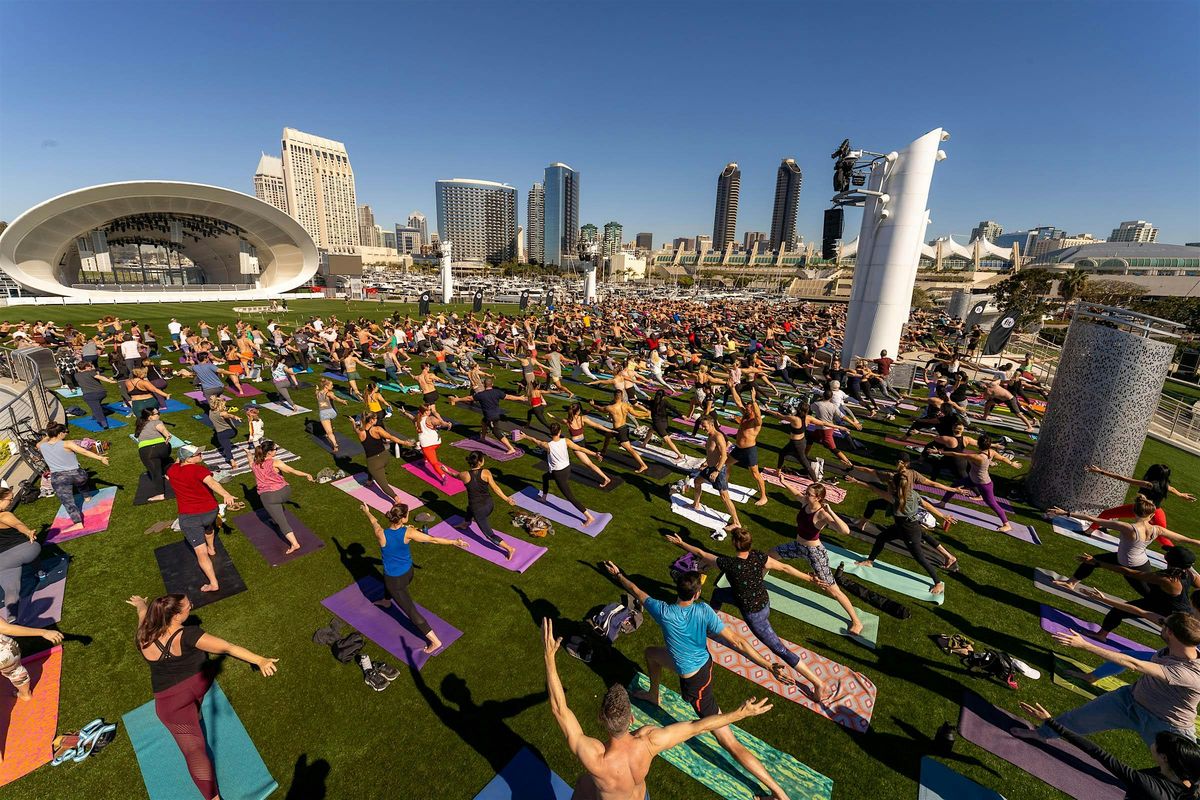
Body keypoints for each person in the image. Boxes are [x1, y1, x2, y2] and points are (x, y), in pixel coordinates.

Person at [603, 561, 796, 800]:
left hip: (696, 684)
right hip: (703, 664)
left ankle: (779, 794)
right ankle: (654, 694)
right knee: (652, 654)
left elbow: (636, 590)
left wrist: (618, 574)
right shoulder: (703, 610)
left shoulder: (662, 610)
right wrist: (767, 664)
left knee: (730, 743)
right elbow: (738, 641)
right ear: (696, 594)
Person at [541, 617, 775, 800]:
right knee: (584, 784)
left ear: (602, 718)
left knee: (584, 783)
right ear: (632, 718)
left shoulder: (595, 758)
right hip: (640, 796)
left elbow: (560, 709)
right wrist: (740, 713)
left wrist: (549, 657)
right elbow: (697, 727)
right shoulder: (649, 742)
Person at [128, 593, 277, 800]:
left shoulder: (143, 635)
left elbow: (143, 615)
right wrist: (260, 660)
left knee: (194, 731)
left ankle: (195, 715)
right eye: (189, 605)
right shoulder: (188, 635)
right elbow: (228, 648)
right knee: (195, 752)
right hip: (178, 704)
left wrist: (141, 605)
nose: (192, 606)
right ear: (177, 616)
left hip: (173, 703)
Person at [665, 529, 835, 698]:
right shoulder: (759, 557)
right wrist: (809, 578)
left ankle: (818, 683)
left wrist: (681, 543)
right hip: (764, 602)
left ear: (733, 544)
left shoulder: (728, 564)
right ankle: (711, 622)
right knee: (718, 594)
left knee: (779, 648)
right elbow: (784, 567)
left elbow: (701, 553)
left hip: (755, 614)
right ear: (750, 543)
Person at [1018, 613, 1200, 748]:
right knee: (1076, 719)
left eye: (1163, 624)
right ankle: (1042, 734)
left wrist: (1085, 645)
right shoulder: (1178, 645)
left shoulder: (1189, 673)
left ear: (1169, 632)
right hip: (1129, 702)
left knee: (1184, 772)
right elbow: (1152, 620)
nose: (1160, 625)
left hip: (1166, 724)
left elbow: (1134, 664)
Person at [1019, 701, 1200, 800]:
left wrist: (1052, 722)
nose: (1151, 742)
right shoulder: (1190, 776)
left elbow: (1099, 754)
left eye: (1156, 743)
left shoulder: (1151, 787)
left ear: (1165, 757)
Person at [359, 503, 468, 654]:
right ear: (403, 518)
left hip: (394, 581)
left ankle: (435, 642)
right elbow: (433, 540)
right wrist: (454, 542)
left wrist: (367, 511)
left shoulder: (380, 533)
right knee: (389, 583)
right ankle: (386, 601)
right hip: (408, 573)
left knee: (410, 611)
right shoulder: (408, 532)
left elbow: (374, 522)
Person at [769, 482, 869, 635]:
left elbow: (845, 531)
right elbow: (796, 494)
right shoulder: (805, 503)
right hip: (798, 546)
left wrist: (831, 511)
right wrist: (783, 481)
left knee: (832, 589)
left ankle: (857, 621)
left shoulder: (822, 514)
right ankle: (756, 580)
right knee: (770, 554)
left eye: (809, 493)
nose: (805, 494)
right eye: (806, 492)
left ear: (818, 498)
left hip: (814, 552)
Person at [850, 456, 958, 595]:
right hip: (905, 525)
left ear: (893, 485)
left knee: (919, 557)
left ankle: (938, 582)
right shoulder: (912, 493)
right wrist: (942, 516)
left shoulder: (895, 499)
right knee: (882, 537)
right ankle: (870, 561)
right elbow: (926, 504)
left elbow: (873, 489)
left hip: (908, 529)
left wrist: (856, 481)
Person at [1052, 498, 1200, 595]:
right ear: (1152, 515)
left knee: (1149, 594)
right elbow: (1183, 538)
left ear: (1134, 512)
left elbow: (1092, 518)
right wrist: (1196, 542)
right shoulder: (1157, 529)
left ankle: (1176, 609)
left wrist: (1065, 512)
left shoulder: (1127, 527)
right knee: (1091, 561)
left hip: (1130, 564)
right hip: (1138, 561)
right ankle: (1071, 583)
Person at [166, 446, 245, 593]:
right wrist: (226, 495)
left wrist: (226, 494)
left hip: (190, 518)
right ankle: (212, 549)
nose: (201, 454)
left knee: (200, 553)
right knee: (208, 527)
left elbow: (178, 462)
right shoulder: (199, 470)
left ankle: (213, 584)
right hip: (210, 512)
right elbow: (212, 483)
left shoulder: (171, 470)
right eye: (197, 453)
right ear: (189, 458)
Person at [1086, 463, 1195, 548]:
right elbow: (1173, 489)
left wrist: (1101, 472)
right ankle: (1089, 531)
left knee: (1161, 536)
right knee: (1162, 536)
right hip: (1154, 511)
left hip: (1145, 511)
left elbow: (1124, 479)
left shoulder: (1149, 484)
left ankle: (1089, 531)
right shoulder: (1164, 485)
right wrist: (1181, 495)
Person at [937, 433, 1021, 532]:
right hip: (972, 479)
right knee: (955, 485)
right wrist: (1012, 463)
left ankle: (1007, 524)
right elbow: (1002, 458)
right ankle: (942, 503)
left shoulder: (977, 457)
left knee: (992, 503)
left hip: (984, 484)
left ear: (978, 445)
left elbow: (955, 454)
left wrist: (940, 452)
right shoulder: (991, 452)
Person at [520, 423, 599, 528]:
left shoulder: (547, 445)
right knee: (545, 477)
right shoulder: (566, 441)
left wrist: (525, 436)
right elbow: (580, 449)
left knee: (570, 497)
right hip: (566, 469)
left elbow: (535, 440)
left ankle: (589, 517)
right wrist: (594, 454)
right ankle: (544, 498)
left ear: (550, 432)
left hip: (559, 474)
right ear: (560, 431)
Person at [37, 422, 110, 533]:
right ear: (60, 433)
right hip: (78, 475)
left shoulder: (42, 446)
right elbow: (84, 451)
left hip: (59, 478)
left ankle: (78, 523)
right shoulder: (67, 444)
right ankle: (87, 497)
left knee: (68, 501)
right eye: (65, 432)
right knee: (81, 481)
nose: (66, 434)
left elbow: (38, 444)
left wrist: (48, 435)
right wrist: (100, 458)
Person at [250, 440, 315, 554]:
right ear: (269, 452)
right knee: (277, 513)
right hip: (285, 492)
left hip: (270, 498)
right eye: (275, 449)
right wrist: (306, 474)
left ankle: (295, 544)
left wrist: (248, 453)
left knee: (282, 522)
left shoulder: (254, 465)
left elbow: (250, 460)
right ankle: (276, 518)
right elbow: (292, 471)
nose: (276, 451)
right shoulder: (275, 462)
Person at [455, 451, 517, 561]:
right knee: (470, 508)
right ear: (480, 462)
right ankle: (465, 523)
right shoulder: (486, 472)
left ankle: (509, 548)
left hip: (478, 510)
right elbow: (496, 488)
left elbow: (455, 475)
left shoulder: (463, 475)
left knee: (489, 535)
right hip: (489, 505)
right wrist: (507, 499)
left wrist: (445, 471)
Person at [449, 375, 525, 455]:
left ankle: (511, 448)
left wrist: (457, 399)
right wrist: (520, 398)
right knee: (483, 422)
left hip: (491, 417)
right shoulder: (497, 392)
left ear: (484, 385)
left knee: (496, 432)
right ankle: (482, 438)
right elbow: (508, 397)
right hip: (495, 415)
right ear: (492, 384)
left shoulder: (481, 394)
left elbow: (469, 398)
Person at [691, 415, 742, 532]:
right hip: (710, 467)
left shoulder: (718, 437)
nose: (702, 429)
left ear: (711, 424)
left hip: (718, 470)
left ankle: (736, 522)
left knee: (724, 497)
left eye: (704, 426)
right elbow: (711, 453)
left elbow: (724, 456)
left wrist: (716, 471)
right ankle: (696, 504)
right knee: (697, 481)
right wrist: (706, 463)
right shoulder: (710, 436)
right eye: (701, 427)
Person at [355, 411, 416, 504]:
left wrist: (353, 422)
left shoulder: (360, 432)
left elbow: (355, 428)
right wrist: (404, 443)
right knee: (370, 468)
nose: (376, 420)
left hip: (374, 463)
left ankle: (397, 499)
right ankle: (369, 480)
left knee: (384, 485)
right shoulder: (377, 429)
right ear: (371, 420)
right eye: (375, 419)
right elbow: (391, 437)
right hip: (385, 457)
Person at [0, 488, 40, 621]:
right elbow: (18, 525)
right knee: (34, 549)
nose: (11, 502)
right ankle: (39, 572)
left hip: (3, 561)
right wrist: (28, 532)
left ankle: (12, 617)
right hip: (25, 551)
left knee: (11, 590)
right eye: (9, 500)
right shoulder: (4, 515)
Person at [0, 619, 65, 700]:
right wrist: (43, 632)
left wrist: (43, 632)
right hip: (7, 650)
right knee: (15, 672)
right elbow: (6, 628)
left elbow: (5, 628)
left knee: (13, 671)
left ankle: (25, 695)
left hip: (4, 654)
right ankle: (25, 694)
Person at [135, 408, 173, 503]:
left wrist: (166, 434)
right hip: (162, 448)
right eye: (157, 413)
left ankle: (161, 495)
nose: (159, 415)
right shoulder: (156, 422)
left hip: (147, 451)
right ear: (150, 417)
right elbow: (162, 428)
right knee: (165, 458)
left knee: (155, 472)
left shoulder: (141, 426)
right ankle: (168, 473)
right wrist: (167, 435)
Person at [414, 402, 458, 483]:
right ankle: (425, 460)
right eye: (429, 410)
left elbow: (440, 423)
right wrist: (447, 424)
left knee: (434, 462)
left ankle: (443, 476)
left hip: (427, 445)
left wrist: (446, 424)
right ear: (425, 411)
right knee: (426, 453)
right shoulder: (425, 418)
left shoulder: (424, 419)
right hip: (436, 442)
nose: (430, 411)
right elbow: (440, 423)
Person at [73, 360, 120, 429]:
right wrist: (109, 381)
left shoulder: (76, 375)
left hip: (90, 395)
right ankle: (95, 415)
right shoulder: (91, 372)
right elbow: (99, 377)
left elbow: (99, 377)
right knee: (96, 405)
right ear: (86, 367)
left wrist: (109, 381)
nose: (91, 367)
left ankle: (103, 423)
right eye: (90, 366)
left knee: (97, 409)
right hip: (102, 393)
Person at [314, 377, 350, 453]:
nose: (332, 386)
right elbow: (335, 398)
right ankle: (331, 427)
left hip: (324, 414)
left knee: (329, 432)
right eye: (331, 385)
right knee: (329, 421)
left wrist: (317, 388)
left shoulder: (318, 394)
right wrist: (342, 401)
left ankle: (335, 445)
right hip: (332, 413)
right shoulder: (330, 393)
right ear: (326, 386)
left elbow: (317, 391)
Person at [207, 395, 241, 466]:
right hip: (232, 431)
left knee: (227, 447)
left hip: (221, 434)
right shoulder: (223, 413)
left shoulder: (210, 412)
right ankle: (230, 458)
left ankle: (232, 461)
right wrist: (235, 416)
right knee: (227, 447)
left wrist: (213, 399)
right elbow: (228, 415)